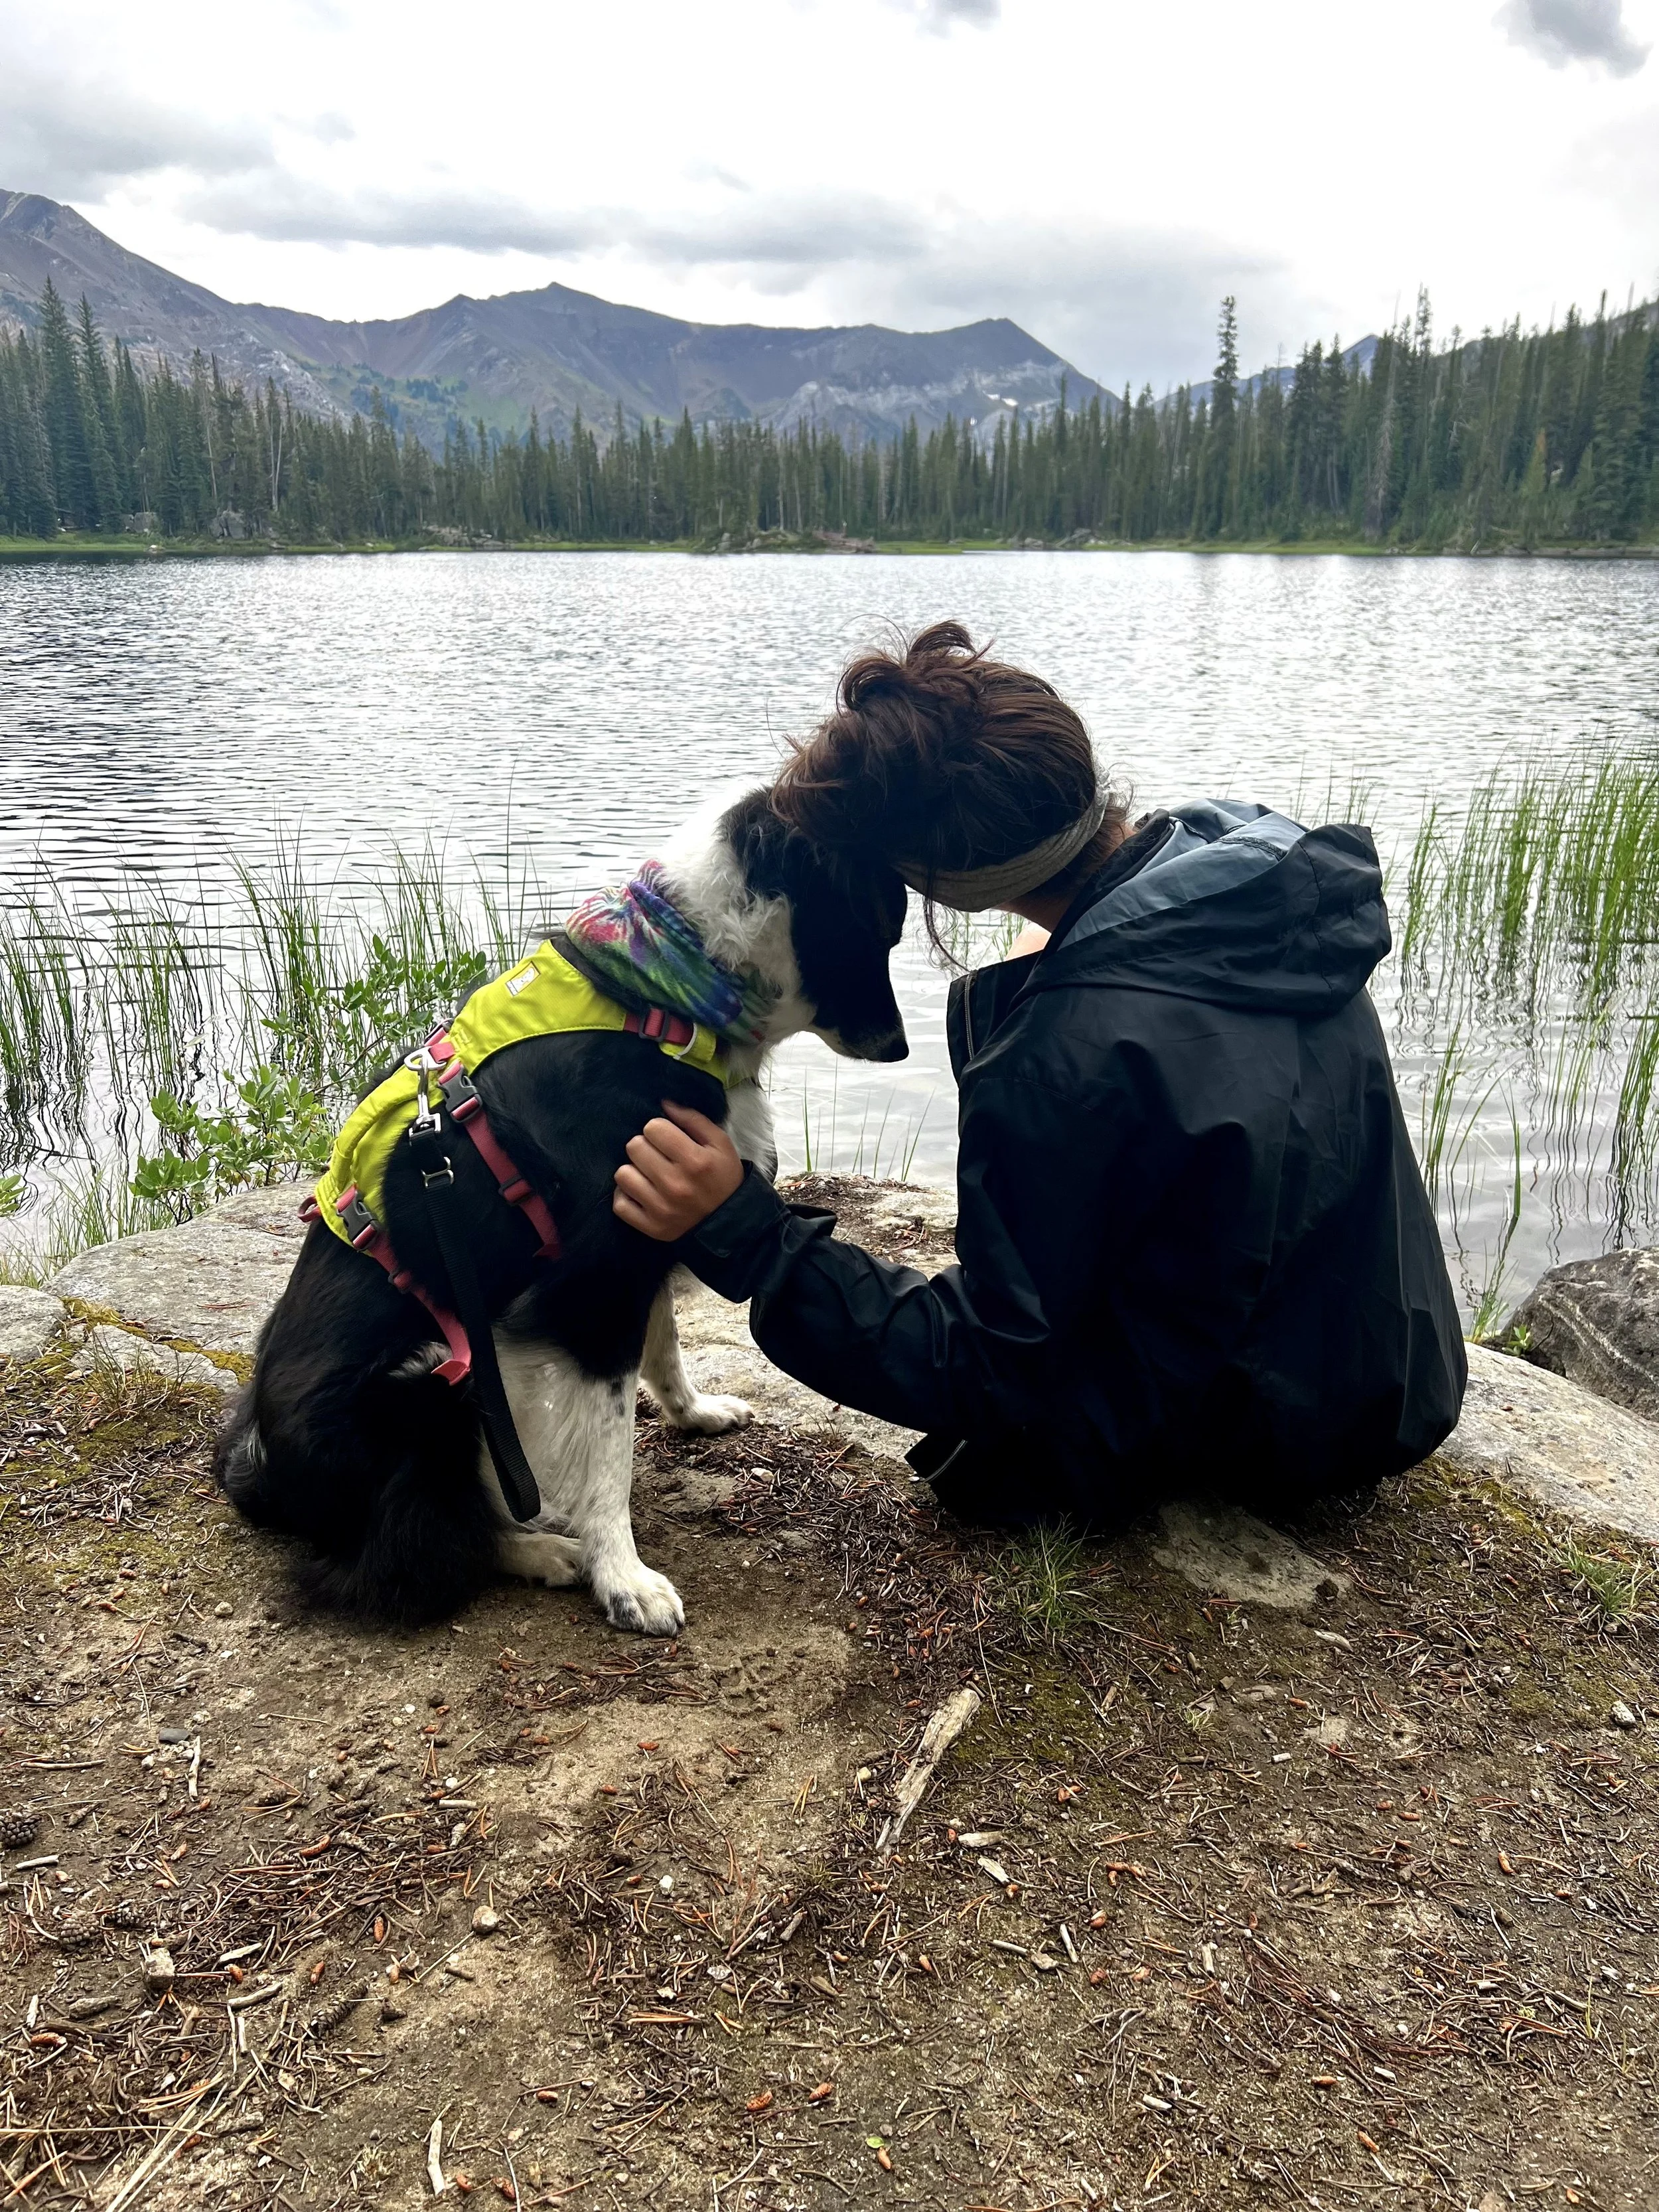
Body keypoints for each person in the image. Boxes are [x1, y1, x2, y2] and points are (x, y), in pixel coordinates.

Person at [612, 622, 1467, 1530]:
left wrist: (748, 1234)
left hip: (1280, 1437)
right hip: (1395, 1376)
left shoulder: (1071, 1056)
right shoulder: (1245, 872)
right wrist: (1059, 985)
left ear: (947, 886)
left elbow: (982, 1365)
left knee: (1006, 1462)